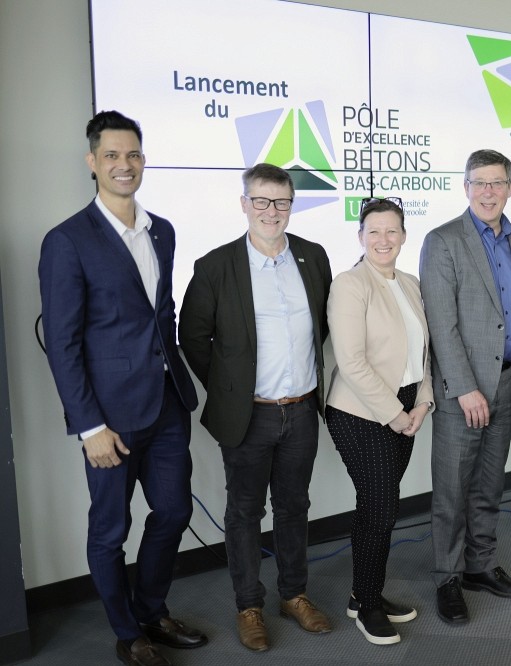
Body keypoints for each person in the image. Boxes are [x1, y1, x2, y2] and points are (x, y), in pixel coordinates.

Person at [38, 110, 206, 666]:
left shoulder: (162, 230)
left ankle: (152, 611)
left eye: (132, 154)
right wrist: (89, 426)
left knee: (174, 511)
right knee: (112, 529)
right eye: (111, 155)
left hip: (167, 403)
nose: (124, 164)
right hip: (108, 415)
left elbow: (163, 313)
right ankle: (126, 630)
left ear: (143, 159)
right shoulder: (67, 240)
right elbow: (62, 343)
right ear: (92, 162)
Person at [178, 163, 333, 651]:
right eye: (261, 201)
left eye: (281, 201)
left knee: (294, 507)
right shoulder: (216, 266)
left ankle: (294, 596)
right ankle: (249, 606)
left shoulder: (313, 256)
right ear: (244, 204)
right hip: (249, 415)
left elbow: (324, 325)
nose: (271, 211)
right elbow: (192, 337)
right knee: (245, 512)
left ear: (291, 205)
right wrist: (230, 388)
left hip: (301, 410)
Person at [419, 149, 511, 624]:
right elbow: (441, 323)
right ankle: (447, 578)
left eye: (497, 182)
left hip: (509, 381)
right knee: (452, 493)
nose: (488, 192)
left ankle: (480, 566)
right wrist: (464, 388)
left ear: (510, 187)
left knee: (489, 486)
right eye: (479, 183)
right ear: (465, 187)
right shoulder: (443, 241)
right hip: (464, 392)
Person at [324, 197, 432, 645]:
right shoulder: (350, 284)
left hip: (406, 406)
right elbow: (351, 362)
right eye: (374, 231)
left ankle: (362, 593)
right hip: (360, 411)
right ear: (360, 236)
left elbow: (425, 353)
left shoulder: (410, 283)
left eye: (392, 231)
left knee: (378, 507)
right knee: (382, 507)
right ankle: (368, 605)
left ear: (404, 236)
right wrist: (395, 415)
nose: (383, 239)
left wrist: (422, 403)